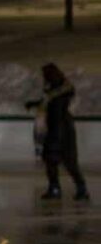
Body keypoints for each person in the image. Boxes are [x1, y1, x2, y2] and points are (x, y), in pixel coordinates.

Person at [25, 63, 89, 200]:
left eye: (45, 75)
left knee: (66, 161)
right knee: (55, 161)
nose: (43, 78)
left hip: (60, 130)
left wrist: (55, 134)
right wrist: (34, 104)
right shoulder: (55, 90)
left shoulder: (59, 92)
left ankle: (74, 189)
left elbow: (55, 110)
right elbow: (47, 104)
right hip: (58, 129)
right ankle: (62, 188)